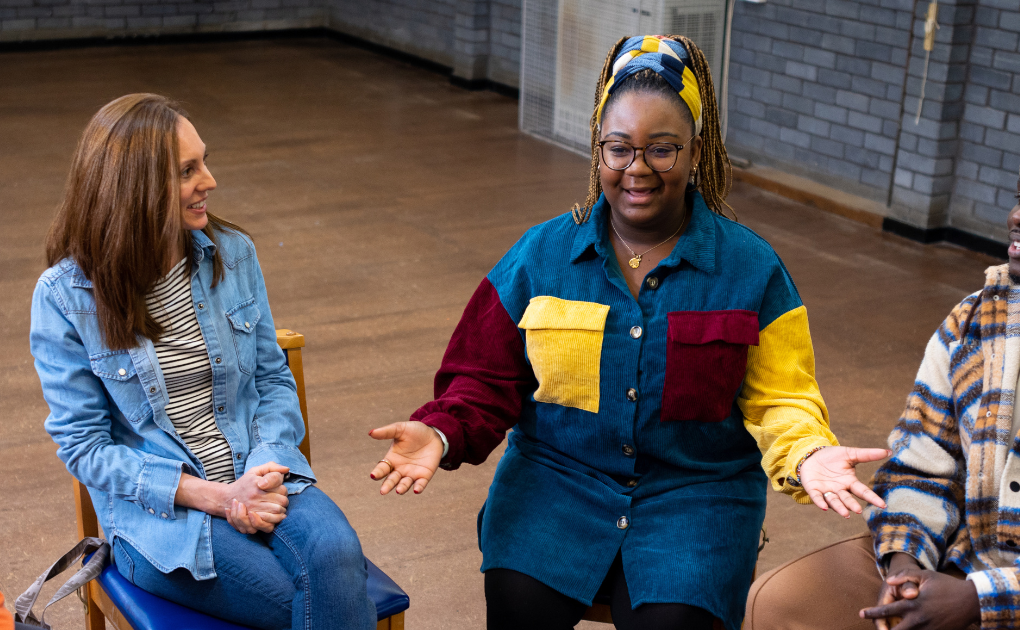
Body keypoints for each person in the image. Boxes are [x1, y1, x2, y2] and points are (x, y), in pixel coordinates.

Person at [368, 35, 888, 630]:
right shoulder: (541, 256)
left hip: (695, 496)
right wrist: (441, 429)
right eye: (618, 149)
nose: (636, 169)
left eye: (662, 150)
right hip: (556, 484)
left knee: (675, 621)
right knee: (518, 603)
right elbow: (484, 376)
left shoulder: (752, 270)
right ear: (598, 151)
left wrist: (810, 454)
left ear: (697, 152)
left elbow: (782, 398)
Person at [30, 94, 376, 630]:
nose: (209, 181)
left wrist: (264, 467)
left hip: (256, 472)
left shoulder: (233, 254)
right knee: (315, 606)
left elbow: (270, 378)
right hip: (162, 519)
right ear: (135, 189)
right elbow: (86, 448)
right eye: (188, 171)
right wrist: (217, 497)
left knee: (335, 557)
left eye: (204, 161)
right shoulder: (66, 296)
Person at [743, 179, 1020, 630]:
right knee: (777, 604)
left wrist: (978, 601)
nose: (1015, 218)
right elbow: (923, 467)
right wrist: (905, 565)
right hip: (963, 559)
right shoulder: (975, 321)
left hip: (993, 591)